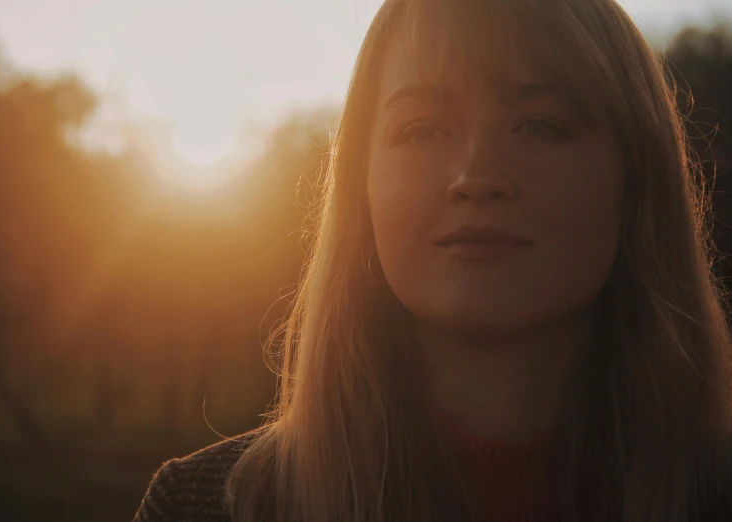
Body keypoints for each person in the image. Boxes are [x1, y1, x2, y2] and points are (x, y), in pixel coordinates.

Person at [133, 0, 732, 520]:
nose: (475, 177)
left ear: (636, 180)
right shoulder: (203, 508)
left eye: (538, 125)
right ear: (360, 188)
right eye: (421, 129)